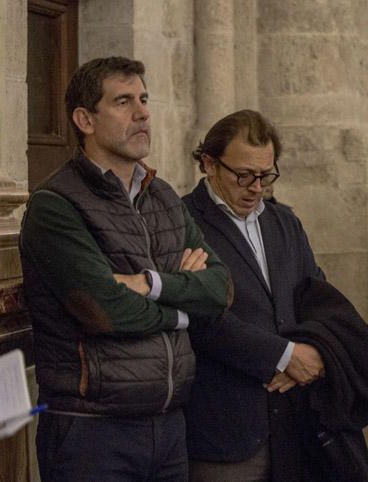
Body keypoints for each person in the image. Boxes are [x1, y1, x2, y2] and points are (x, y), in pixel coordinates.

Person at [20, 56, 231, 481]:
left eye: (144, 99)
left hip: (169, 426)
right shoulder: (57, 205)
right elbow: (105, 310)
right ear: (85, 119)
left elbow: (221, 289)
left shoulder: (164, 197)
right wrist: (182, 309)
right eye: (123, 101)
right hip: (92, 431)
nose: (143, 113)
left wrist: (149, 284)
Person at [183, 110, 368, 481]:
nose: (256, 187)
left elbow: (317, 297)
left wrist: (316, 351)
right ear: (209, 163)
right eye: (243, 175)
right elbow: (200, 316)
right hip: (228, 431)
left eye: (266, 175)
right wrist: (283, 356)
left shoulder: (283, 221)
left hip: (296, 424)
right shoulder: (182, 221)